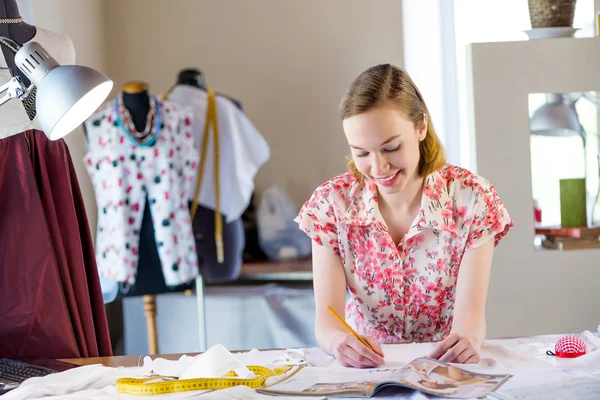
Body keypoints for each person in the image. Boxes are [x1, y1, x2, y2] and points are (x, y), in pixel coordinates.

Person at [295, 64, 513, 368]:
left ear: (421, 127)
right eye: (361, 153)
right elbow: (327, 321)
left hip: (446, 369)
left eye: (391, 148)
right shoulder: (331, 206)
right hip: (366, 373)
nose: (378, 167)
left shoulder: (472, 199)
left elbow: (470, 322)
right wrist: (339, 343)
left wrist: (467, 341)